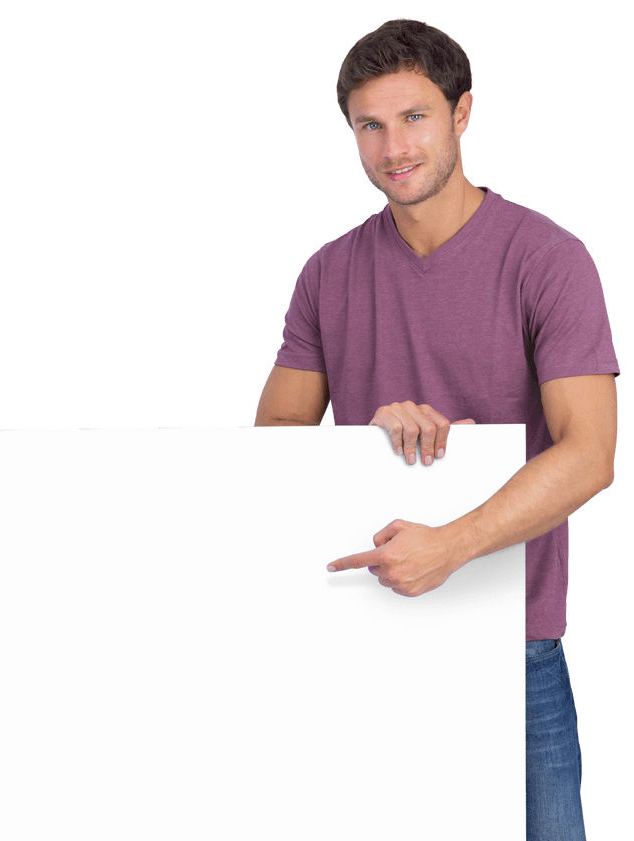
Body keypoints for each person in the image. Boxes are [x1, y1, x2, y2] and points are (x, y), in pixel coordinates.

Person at [253, 18, 618, 841]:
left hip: (512, 651)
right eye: (368, 126)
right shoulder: (326, 272)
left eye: (414, 117)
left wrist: (451, 543)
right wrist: (363, 432)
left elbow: (592, 454)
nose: (393, 147)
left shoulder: (549, 260)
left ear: (462, 114)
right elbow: (273, 434)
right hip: (357, 637)